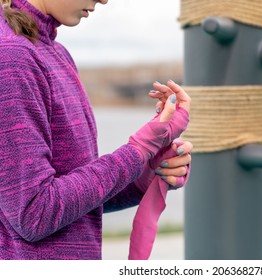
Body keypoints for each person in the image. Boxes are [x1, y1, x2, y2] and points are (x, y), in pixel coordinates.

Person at [0, 0, 192, 260]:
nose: (104, 0)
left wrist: (143, 176)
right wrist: (137, 151)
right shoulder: (12, 58)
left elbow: (75, 202)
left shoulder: (56, 53)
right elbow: (34, 214)